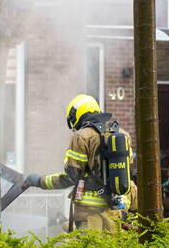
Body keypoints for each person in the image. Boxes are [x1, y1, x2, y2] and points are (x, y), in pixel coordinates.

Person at [21, 93, 134, 232]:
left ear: (77, 115)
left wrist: (40, 181)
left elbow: (70, 177)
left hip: (90, 213)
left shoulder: (82, 136)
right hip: (117, 210)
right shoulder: (123, 134)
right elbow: (129, 172)